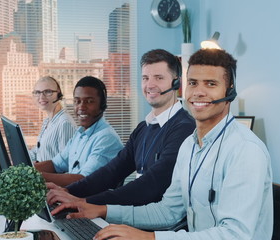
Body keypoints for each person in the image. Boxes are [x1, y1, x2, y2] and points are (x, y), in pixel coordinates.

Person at [53, 48, 273, 240]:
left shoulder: (244, 150)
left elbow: (234, 235)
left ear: (230, 90)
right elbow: (167, 211)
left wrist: (149, 237)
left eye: (211, 84)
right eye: (193, 83)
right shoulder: (190, 146)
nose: (199, 92)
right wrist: (101, 210)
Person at [46, 49, 196, 207]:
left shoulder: (184, 129)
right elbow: (112, 171)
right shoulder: (143, 128)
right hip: (135, 217)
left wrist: (85, 202)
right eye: (145, 78)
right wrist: (69, 192)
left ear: (176, 83)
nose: (150, 85)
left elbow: (150, 185)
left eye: (159, 78)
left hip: (161, 225)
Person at [34, 76, 123, 187]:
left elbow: (83, 180)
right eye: (77, 101)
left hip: (88, 201)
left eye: (89, 101)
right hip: (72, 197)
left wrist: (34, 177)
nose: (81, 107)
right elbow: (56, 163)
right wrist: (24, 170)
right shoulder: (80, 134)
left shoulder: (106, 138)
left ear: (102, 105)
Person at [28, 76, 77, 162]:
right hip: (41, 172)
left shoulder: (64, 123)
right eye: (37, 92)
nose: (41, 97)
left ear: (58, 94)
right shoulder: (48, 121)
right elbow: (39, 151)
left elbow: (65, 162)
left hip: (50, 174)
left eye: (48, 92)